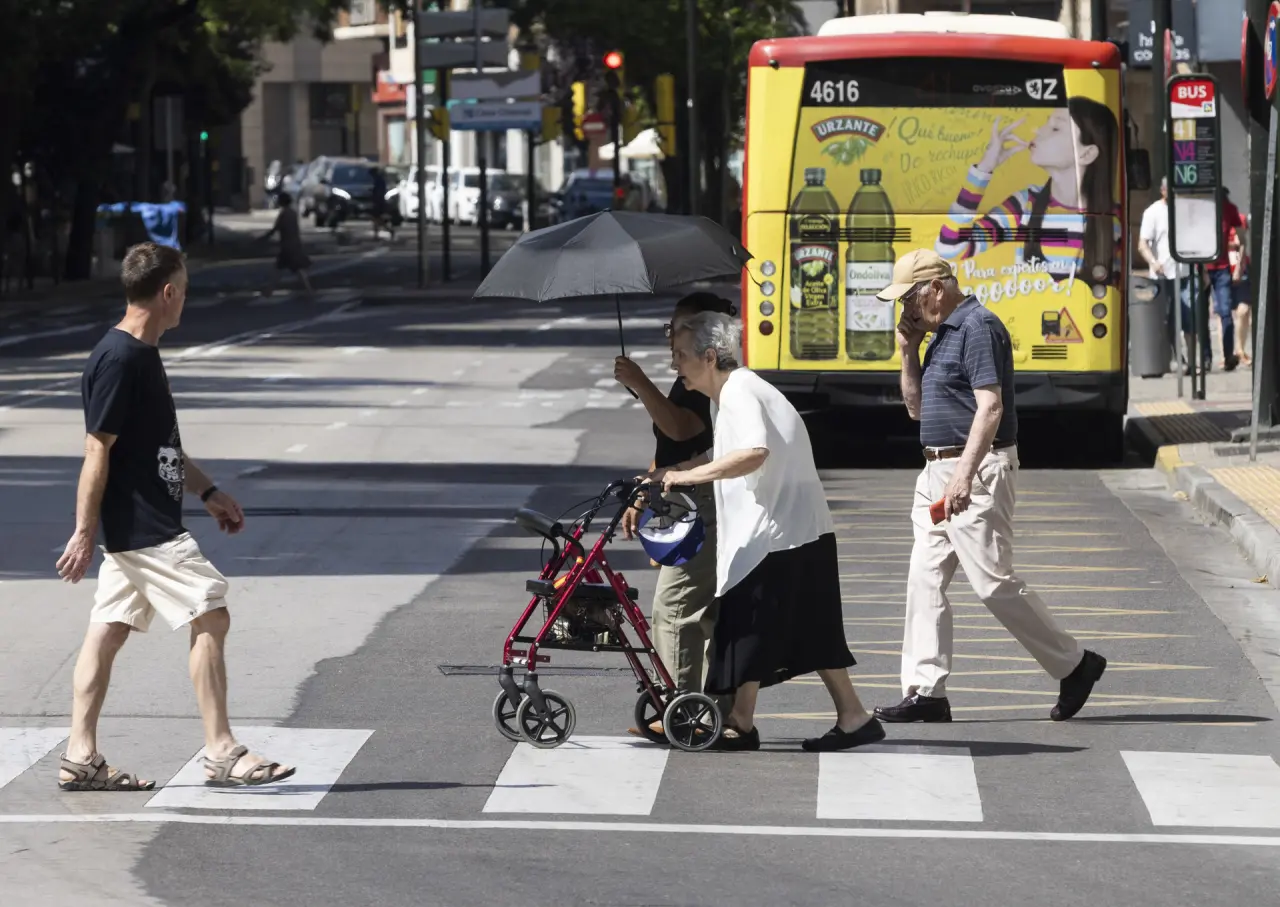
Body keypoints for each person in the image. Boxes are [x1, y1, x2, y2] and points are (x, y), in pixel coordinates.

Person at [55, 242, 295, 791]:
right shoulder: (120, 359)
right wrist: (84, 532)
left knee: (108, 630)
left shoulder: (142, 354)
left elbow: (159, 446)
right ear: (167, 293)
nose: (186, 299)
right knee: (211, 613)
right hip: (145, 527)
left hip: (139, 524)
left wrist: (207, 490)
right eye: (184, 290)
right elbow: (97, 449)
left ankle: (80, 756)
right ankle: (222, 750)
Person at [873, 249, 1107, 724]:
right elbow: (916, 409)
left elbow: (991, 407)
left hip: (975, 470)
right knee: (924, 576)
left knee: (991, 582)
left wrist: (963, 474)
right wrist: (907, 350)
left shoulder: (978, 327)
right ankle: (926, 691)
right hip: (936, 470)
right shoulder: (941, 334)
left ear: (935, 289)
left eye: (909, 300)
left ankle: (1075, 665)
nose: (906, 310)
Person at [651, 312, 885, 752]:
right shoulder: (733, 392)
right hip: (792, 530)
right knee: (793, 627)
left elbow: (754, 452)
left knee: (752, 623)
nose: (674, 364)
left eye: (680, 355)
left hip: (778, 533)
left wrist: (687, 477)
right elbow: (730, 452)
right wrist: (673, 470)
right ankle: (844, 717)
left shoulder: (738, 392)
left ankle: (748, 722)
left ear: (708, 356)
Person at [615, 292, 735, 737]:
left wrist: (640, 383)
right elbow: (669, 447)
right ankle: (710, 710)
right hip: (685, 496)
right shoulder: (690, 379)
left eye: (680, 329)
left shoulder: (709, 382)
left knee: (675, 606)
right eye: (670, 328)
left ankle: (681, 710)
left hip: (704, 499)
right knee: (704, 611)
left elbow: (683, 428)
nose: (672, 338)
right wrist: (644, 494)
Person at [935, 98, 1120, 291]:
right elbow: (949, 248)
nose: (1037, 130)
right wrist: (984, 168)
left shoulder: (1114, 220)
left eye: (1055, 128)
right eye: (1046, 123)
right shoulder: (1025, 204)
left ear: (1086, 154)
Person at [1138, 177, 1198, 374]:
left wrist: (1201, 269)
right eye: (1170, 190)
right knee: (1168, 320)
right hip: (1163, 276)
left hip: (1186, 274)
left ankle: (1192, 362)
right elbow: (1142, 244)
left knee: (1190, 319)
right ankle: (1177, 358)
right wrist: (1153, 262)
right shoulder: (1152, 212)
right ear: (1162, 191)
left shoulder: (1186, 209)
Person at [1204, 187, 1248, 371]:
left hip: (1222, 268)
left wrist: (1239, 266)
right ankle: (1206, 357)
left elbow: (1242, 238)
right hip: (1202, 267)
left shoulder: (1229, 209)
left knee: (1225, 312)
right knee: (1201, 315)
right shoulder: (1201, 208)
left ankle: (1228, 355)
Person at [261, 191, 313, 297]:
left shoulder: (284, 214)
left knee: (279, 269)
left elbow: (275, 229)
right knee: (294, 269)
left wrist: (263, 239)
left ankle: (269, 290)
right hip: (294, 244)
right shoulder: (293, 213)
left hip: (287, 246)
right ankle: (308, 290)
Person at [1229, 222, 1252, 366]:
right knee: (1223, 314)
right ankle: (1226, 354)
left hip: (1242, 269)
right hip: (1222, 268)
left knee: (1244, 310)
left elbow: (1242, 242)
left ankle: (1240, 349)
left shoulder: (1240, 219)